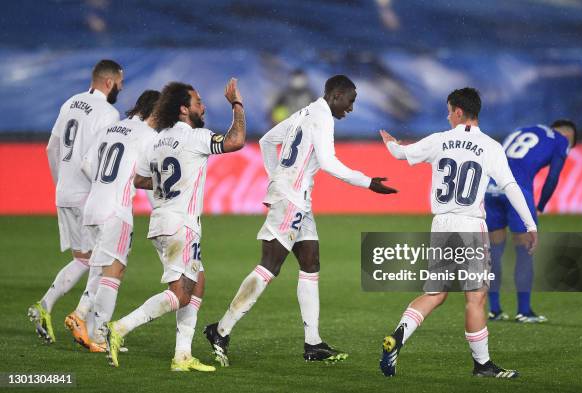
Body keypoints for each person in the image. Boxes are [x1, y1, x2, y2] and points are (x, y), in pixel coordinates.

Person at [204, 75, 397, 367]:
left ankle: (313, 343)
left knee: (310, 261)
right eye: (351, 100)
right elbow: (330, 163)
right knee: (270, 265)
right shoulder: (321, 118)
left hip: (295, 197)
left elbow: (268, 140)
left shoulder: (304, 112)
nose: (352, 108)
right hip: (292, 198)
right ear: (337, 94)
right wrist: (368, 182)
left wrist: (277, 177)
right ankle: (220, 330)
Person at [378, 87, 537, 378]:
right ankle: (482, 364)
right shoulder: (490, 146)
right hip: (470, 226)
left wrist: (391, 143)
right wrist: (530, 224)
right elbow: (511, 187)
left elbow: (400, 154)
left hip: (441, 224)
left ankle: (398, 338)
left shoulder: (440, 140)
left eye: (449, 110)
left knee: (435, 294)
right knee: (475, 298)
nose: (447, 115)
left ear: (459, 112)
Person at [102, 78, 246, 372]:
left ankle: (182, 355)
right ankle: (120, 327)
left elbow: (140, 179)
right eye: (198, 102)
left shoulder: (157, 140)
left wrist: (169, 182)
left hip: (161, 222)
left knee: (198, 282)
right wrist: (237, 104)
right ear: (183, 109)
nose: (203, 107)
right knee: (181, 294)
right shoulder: (195, 137)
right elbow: (236, 141)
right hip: (182, 224)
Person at [28, 59, 123, 344]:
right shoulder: (108, 113)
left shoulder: (70, 103)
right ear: (109, 82)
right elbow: (93, 161)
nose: (121, 87)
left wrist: (61, 183)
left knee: (84, 259)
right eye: (120, 82)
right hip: (88, 196)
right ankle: (89, 328)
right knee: (105, 262)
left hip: (64, 192)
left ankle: (44, 306)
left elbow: (51, 147)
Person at [76, 90, 161, 352]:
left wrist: (104, 185)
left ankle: (87, 327)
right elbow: (151, 177)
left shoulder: (111, 129)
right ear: (156, 112)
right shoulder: (150, 136)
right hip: (117, 211)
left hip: (92, 206)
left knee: (100, 268)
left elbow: (86, 165)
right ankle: (100, 335)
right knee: (115, 270)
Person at [485, 120, 576, 323]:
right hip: (517, 191)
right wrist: (540, 206)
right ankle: (524, 311)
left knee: (494, 252)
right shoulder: (561, 140)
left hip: (490, 189)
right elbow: (553, 177)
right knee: (525, 252)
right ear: (569, 136)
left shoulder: (521, 129)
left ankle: (495, 310)